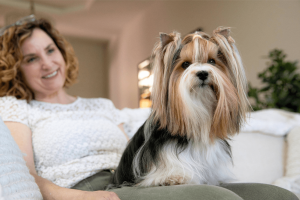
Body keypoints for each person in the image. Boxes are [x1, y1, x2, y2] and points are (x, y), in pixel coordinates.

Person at [0, 15, 298, 200]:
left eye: (50, 50)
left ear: (62, 52)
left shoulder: (101, 105)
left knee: (277, 196)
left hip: (128, 180)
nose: (47, 63)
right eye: (31, 58)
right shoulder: (17, 109)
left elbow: (137, 152)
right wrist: (79, 199)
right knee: (216, 199)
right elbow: (23, 175)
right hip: (84, 191)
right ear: (16, 68)